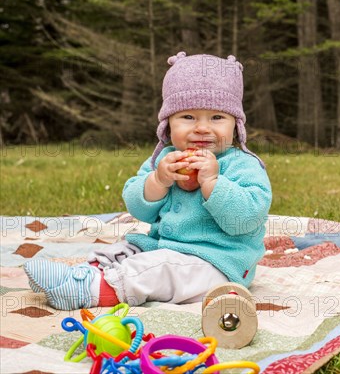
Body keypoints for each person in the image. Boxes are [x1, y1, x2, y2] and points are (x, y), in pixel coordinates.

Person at [24, 52, 272, 310]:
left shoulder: (242, 164)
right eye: (188, 117)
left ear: (236, 125)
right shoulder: (165, 159)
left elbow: (247, 218)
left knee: (160, 269)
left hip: (218, 264)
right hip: (162, 247)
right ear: (167, 124)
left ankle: (92, 290)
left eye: (217, 117)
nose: (201, 127)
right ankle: (91, 272)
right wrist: (158, 180)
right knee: (126, 247)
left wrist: (212, 182)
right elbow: (137, 207)